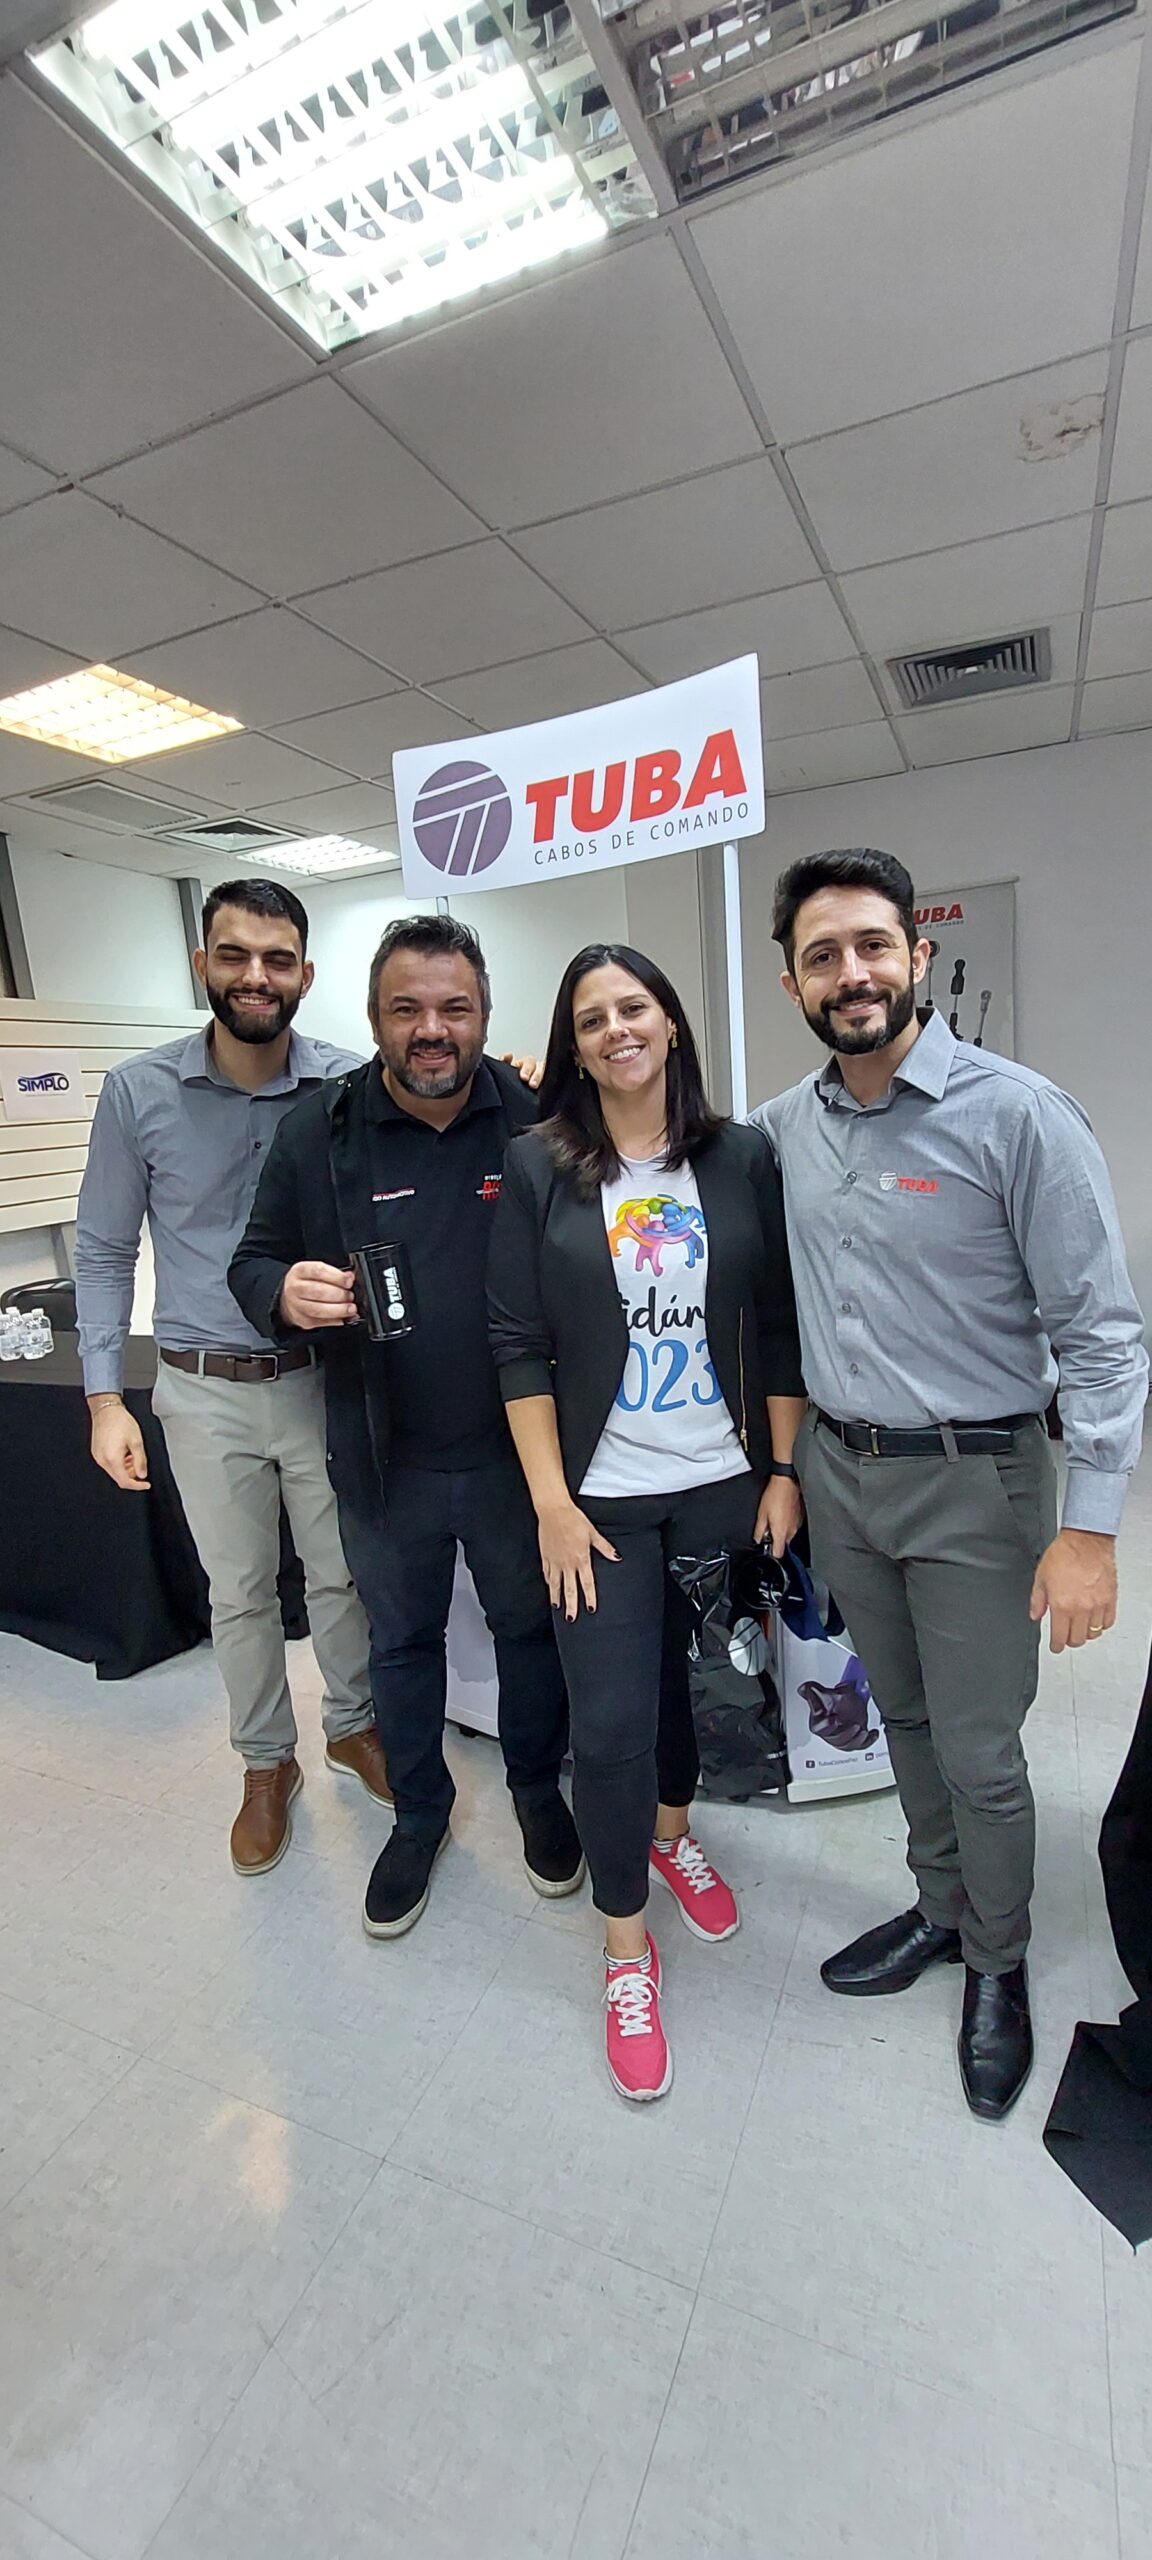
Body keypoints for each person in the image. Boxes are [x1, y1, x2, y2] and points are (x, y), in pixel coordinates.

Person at [750, 846, 1148, 2120]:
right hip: (845, 1476)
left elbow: (1103, 1336)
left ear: (917, 955)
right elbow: (663, 1164)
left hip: (981, 1485)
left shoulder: (1018, 1114)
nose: (852, 973)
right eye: (823, 955)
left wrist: (1091, 1529)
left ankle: (998, 1957)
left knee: (979, 1749)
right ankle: (939, 1905)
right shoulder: (782, 1131)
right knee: (906, 1722)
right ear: (794, 983)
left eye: (873, 944)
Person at [488, 943, 807, 2102]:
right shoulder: (539, 1164)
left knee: (690, 1689)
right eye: (592, 1018)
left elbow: (777, 1322)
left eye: (636, 1007)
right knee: (614, 1719)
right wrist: (552, 1504)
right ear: (574, 1048)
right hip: (602, 1501)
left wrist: (783, 1470)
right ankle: (626, 1947)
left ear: (671, 1022)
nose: (617, 1028)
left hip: (722, 1482)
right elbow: (516, 1343)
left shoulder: (741, 1156)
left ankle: (673, 1836)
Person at [228, 912, 582, 1940]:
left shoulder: (538, 1114)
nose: (432, 1029)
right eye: (407, 1009)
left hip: (520, 1455)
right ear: (376, 1017)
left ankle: (535, 1793)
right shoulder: (321, 1130)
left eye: (454, 1008)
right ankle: (420, 1815)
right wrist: (283, 1291)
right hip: (385, 1457)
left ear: (485, 1015)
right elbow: (253, 1260)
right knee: (402, 1644)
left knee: (530, 1633)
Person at [75, 879, 391, 1877]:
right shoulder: (139, 1092)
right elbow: (102, 1250)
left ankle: (353, 1725)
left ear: (305, 972)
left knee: (343, 1575)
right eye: (235, 954)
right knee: (243, 1592)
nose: (257, 975)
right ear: (201, 964)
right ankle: (265, 1762)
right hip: (202, 1386)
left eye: (277, 958)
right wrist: (102, 1399)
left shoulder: (349, 1084)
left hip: (324, 1378)